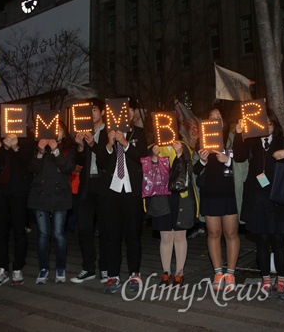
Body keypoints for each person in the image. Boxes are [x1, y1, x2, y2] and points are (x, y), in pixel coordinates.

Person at [233, 108, 284, 299]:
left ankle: (281, 281)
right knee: (262, 242)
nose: (267, 127)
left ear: (275, 125)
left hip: (278, 198)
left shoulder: (282, 141)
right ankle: (265, 280)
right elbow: (238, 157)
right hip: (256, 199)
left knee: (278, 241)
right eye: (264, 124)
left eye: (271, 124)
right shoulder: (252, 141)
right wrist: (238, 135)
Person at [96, 97, 148, 294]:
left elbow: (143, 158)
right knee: (112, 235)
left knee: (133, 235)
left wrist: (126, 143)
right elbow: (100, 162)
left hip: (131, 190)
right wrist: (109, 145)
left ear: (133, 113)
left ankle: (135, 274)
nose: (125, 114)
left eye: (129, 110)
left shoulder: (140, 133)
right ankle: (113, 275)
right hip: (111, 190)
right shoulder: (104, 134)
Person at [193, 107, 240, 292]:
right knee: (213, 233)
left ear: (224, 121)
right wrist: (203, 160)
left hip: (229, 192)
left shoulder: (233, 139)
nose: (214, 120)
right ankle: (218, 272)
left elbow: (243, 165)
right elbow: (195, 171)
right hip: (209, 193)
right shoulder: (201, 141)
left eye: (218, 117)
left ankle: (231, 273)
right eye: (211, 117)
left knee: (231, 233)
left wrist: (227, 160)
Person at [27, 120, 77, 284]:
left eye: (59, 130)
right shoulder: (39, 148)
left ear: (64, 133)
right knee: (43, 234)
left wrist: (55, 150)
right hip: (40, 197)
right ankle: (43, 268)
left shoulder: (68, 149)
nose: (56, 132)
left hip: (60, 197)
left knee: (58, 234)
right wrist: (40, 152)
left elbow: (68, 168)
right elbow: (33, 168)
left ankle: (60, 267)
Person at [71, 98, 110, 284]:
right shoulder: (83, 130)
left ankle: (105, 268)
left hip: (103, 185)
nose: (91, 113)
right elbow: (78, 160)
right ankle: (88, 267)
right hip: (86, 185)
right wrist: (80, 146)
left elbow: (106, 159)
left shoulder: (109, 132)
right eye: (89, 111)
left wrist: (93, 143)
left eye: (94, 109)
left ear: (102, 112)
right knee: (84, 228)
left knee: (104, 229)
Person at [0, 134, 34, 287]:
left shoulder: (27, 138)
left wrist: (16, 148)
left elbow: (29, 164)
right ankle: (2, 267)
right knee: (0, 230)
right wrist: (1, 148)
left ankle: (18, 268)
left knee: (19, 230)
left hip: (18, 192)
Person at [150, 139, 196, 288]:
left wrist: (179, 154)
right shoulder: (152, 147)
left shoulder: (184, 146)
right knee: (166, 236)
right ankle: (166, 272)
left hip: (181, 197)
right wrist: (155, 158)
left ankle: (179, 274)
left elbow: (189, 173)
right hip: (161, 197)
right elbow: (148, 174)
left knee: (180, 236)